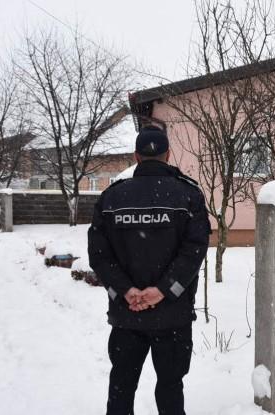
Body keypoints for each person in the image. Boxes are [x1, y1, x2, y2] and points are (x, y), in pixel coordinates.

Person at [88, 125, 210, 415]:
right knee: (170, 387)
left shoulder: (112, 197)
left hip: (127, 315)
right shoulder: (188, 195)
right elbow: (194, 251)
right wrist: (164, 290)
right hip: (172, 317)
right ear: (168, 154)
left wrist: (126, 291)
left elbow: (99, 256)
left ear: (136, 156)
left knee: (121, 386)